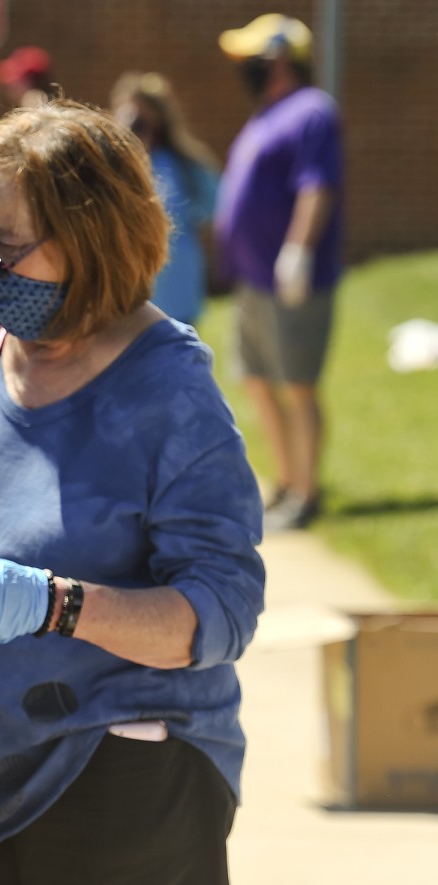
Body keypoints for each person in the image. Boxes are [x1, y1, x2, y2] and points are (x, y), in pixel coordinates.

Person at [0, 99, 265, 885]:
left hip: (127, 781)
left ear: (91, 235)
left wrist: (49, 604)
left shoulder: (169, 394)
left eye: (7, 247)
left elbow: (220, 612)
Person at [214, 13, 343, 531]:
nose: (243, 68)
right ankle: (286, 483)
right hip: (252, 280)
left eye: (251, 59)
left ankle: (307, 494)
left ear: (281, 60)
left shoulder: (313, 111)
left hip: (292, 280)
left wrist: (298, 250)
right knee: (262, 382)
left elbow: (317, 184)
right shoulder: (266, 115)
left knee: (298, 385)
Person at [111, 71, 220, 324]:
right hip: (129, 293)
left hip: (176, 288)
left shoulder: (184, 163)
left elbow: (213, 205)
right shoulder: (112, 166)